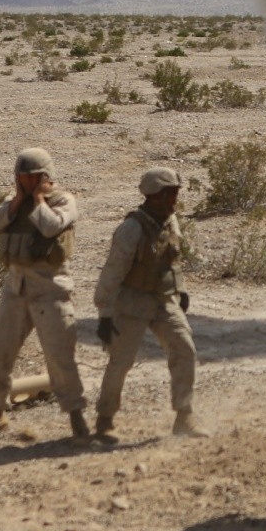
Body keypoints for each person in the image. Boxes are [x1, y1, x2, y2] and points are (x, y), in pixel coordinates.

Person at [0, 148, 89, 444]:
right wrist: (18, 202)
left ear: (46, 177)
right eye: (22, 177)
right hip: (15, 289)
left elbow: (50, 227)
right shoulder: (13, 204)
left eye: (33, 177)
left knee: (60, 357)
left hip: (50, 290)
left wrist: (37, 200)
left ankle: (76, 416)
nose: (26, 182)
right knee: (0, 353)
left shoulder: (64, 201)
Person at [95, 166, 205, 439]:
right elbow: (112, 272)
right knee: (121, 362)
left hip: (163, 300)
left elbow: (172, 258)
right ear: (153, 196)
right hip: (131, 303)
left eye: (175, 194)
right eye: (169, 195)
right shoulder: (130, 229)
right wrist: (105, 314)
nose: (174, 200)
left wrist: (181, 290)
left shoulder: (170, 220)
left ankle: (184, 416)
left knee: (185, 350)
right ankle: (105, 419)